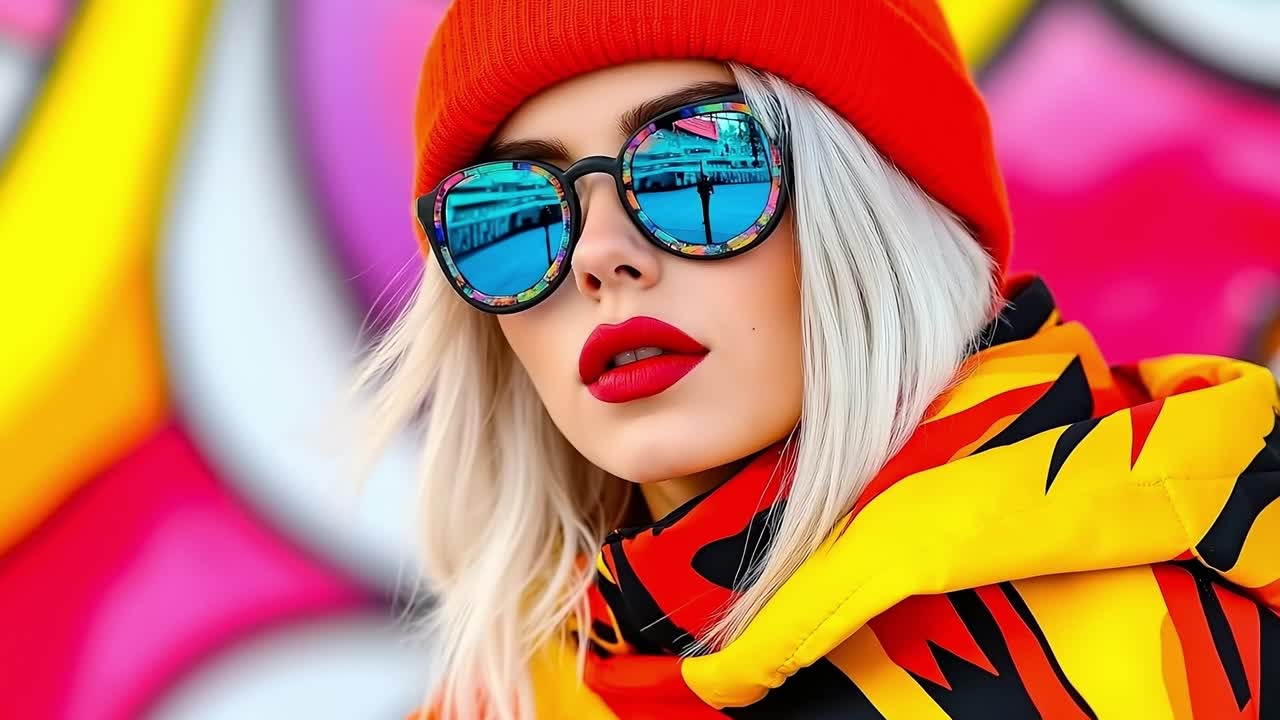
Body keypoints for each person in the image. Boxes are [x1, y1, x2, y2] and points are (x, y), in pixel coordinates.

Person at [356, 1, 1280, 718]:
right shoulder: (515, 700)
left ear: (874, 208)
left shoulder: (1200, 649)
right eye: (511, 216)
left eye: (697, 169)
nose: (599, 254)